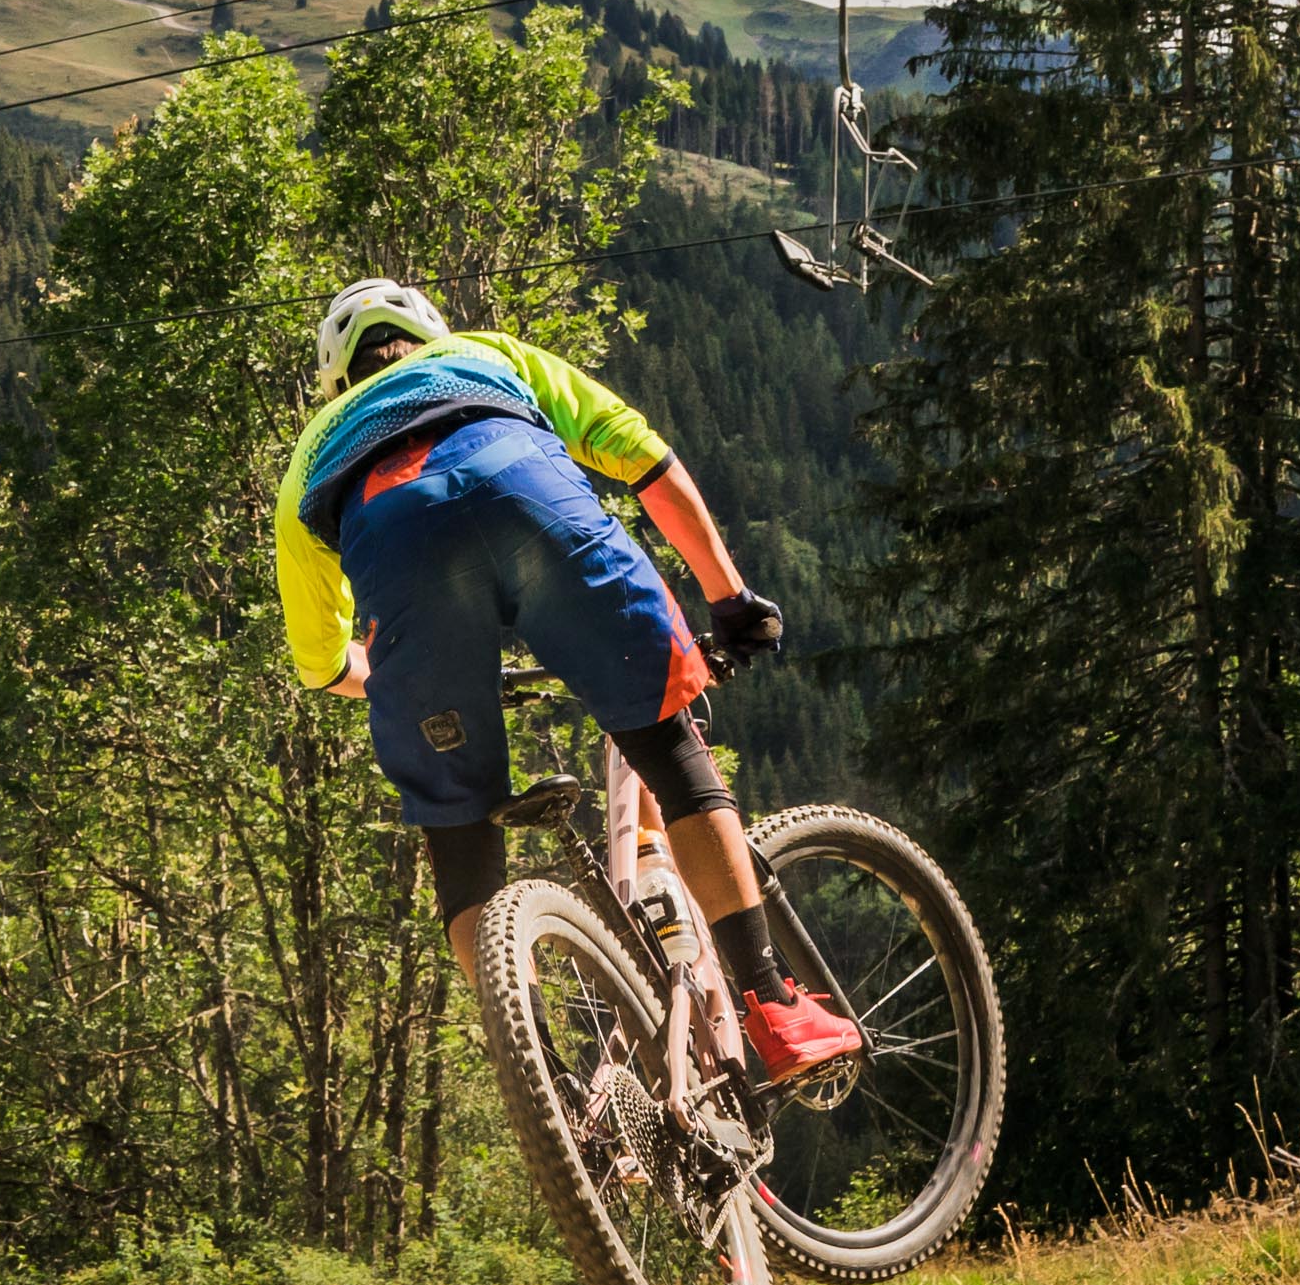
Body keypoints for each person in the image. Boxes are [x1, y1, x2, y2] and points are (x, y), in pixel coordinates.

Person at [274, 277, 865, 1086]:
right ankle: (775, 1004)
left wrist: (414, 680)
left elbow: (326, 662)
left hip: (399, 559)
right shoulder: (486, 356)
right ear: (430, 335)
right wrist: (730, 601)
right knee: (667, 747)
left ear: (339, 381)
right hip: (532, 500)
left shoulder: (312, 449)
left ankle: (543, 1082)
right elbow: (645, 460)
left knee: (460, 833)